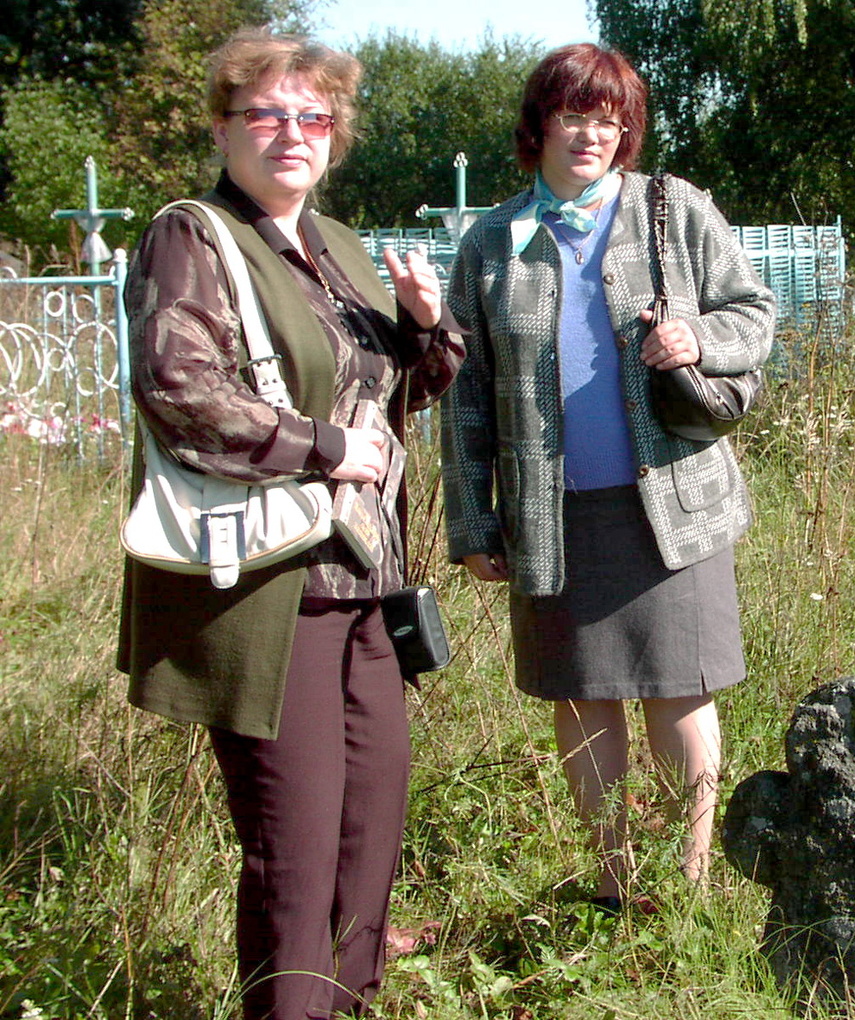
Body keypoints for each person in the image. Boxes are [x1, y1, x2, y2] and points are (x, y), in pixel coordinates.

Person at [116, 28, 463, 1020]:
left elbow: (400, 398)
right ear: (223, 127)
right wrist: (319, 446)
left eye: (313, 117)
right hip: (276, 588)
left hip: (367, 586)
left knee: (370, 839)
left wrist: (426, 325)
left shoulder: (341, 248)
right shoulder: (192, 237)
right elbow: (179, 391)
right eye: (265, 114)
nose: (291, 134)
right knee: (296, 853)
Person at [441, 43, 776, 910]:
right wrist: (475, 526)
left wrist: (700, 339)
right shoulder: (490, 243)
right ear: (539, 124)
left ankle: (688, 887)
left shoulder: (675, 211)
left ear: (624, 130)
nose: (592, 132)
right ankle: (616, 885)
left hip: (676, 504)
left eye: (609, 116)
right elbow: (466, 395)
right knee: (584, 696)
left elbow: (753, 311)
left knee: (680, 689)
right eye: (573, 113)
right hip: (552, 516)